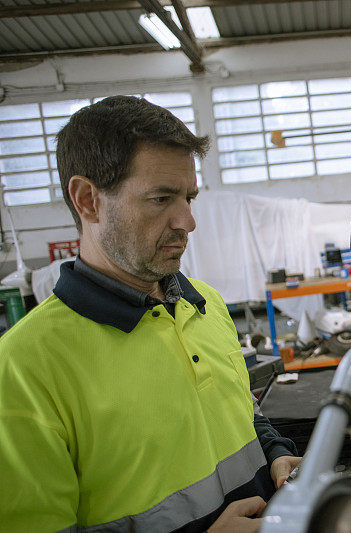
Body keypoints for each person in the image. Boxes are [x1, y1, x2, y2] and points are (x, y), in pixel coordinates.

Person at [0, 96, 300, 532]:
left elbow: (243, 411)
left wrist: (274, 454)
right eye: (161, 199)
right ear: (87, 200)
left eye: (189, 198)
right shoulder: (22, 370)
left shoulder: (204, 304)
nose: (187, 222)